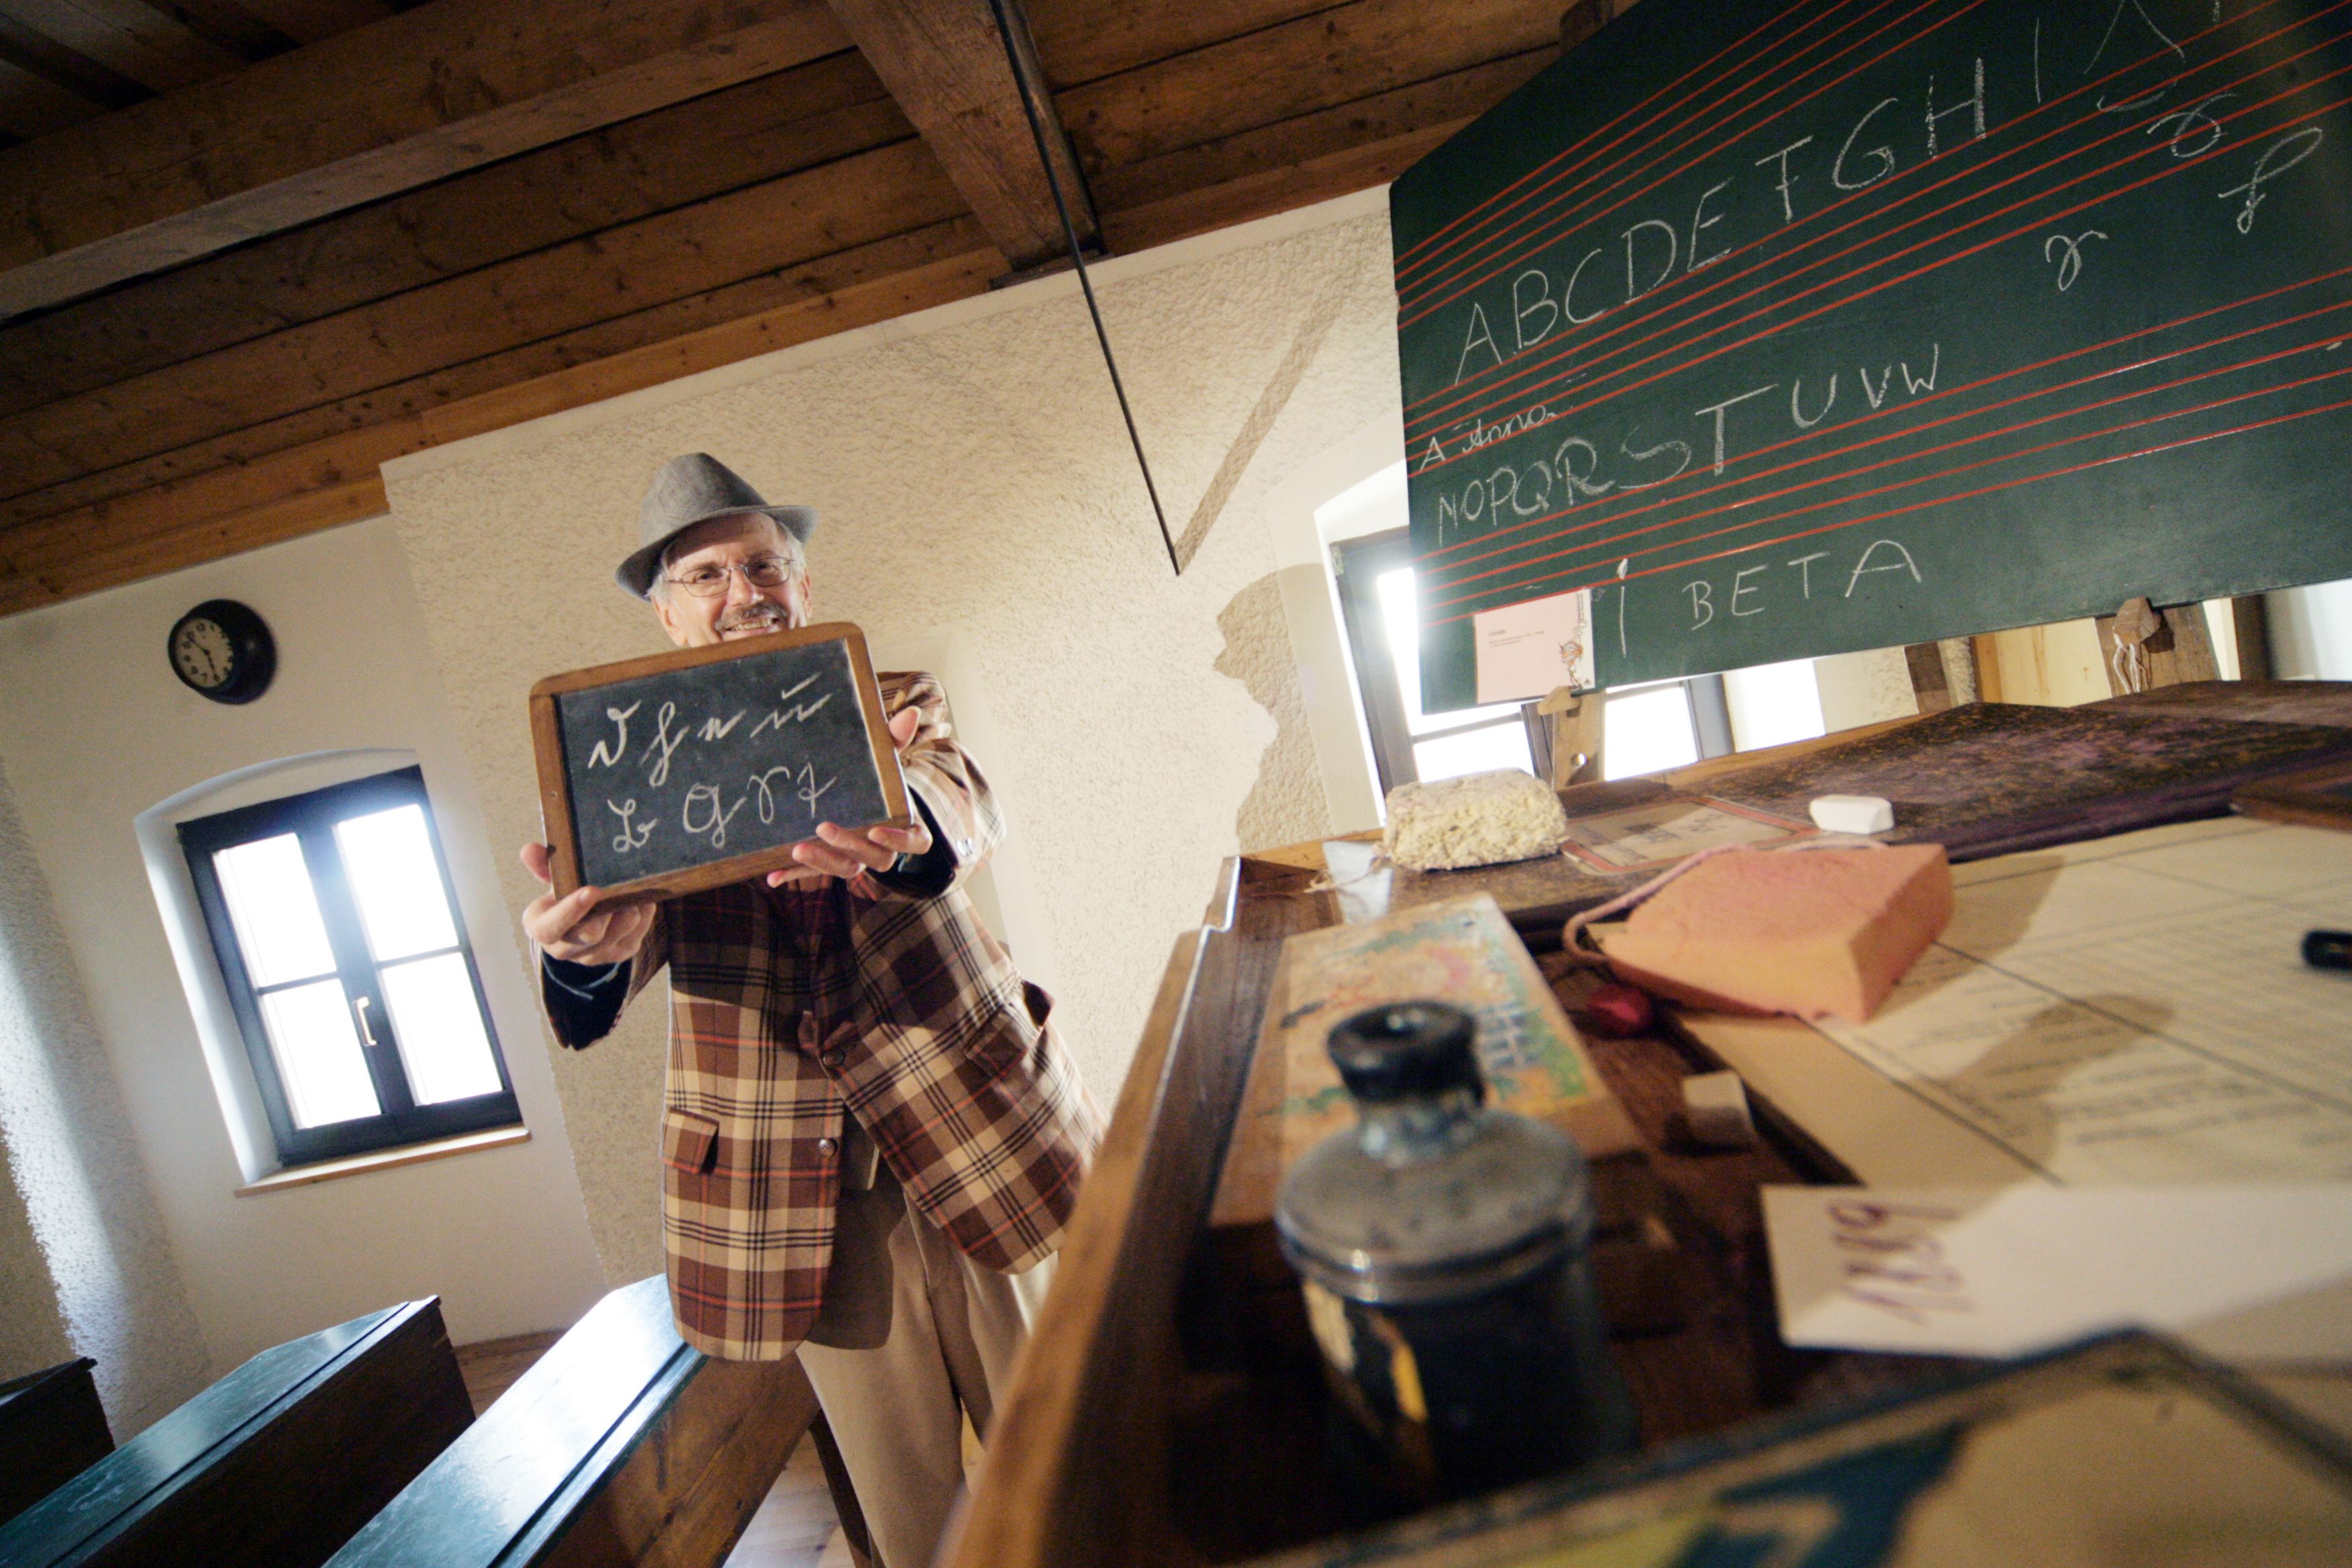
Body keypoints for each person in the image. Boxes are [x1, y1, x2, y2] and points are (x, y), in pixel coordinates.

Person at [520, 452, 1100, 1568]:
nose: (743, 592)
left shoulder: (891, 705)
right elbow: (596, 961)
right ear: (665, 612)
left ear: (801, 580)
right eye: (706, 576)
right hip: (798, 1206)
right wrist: (582, 955)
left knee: (1074, 1475)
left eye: (762, 566)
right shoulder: (622, 772)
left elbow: (956, 793)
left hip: (984, 1136)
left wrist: (910, 835)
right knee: (913, 1525)